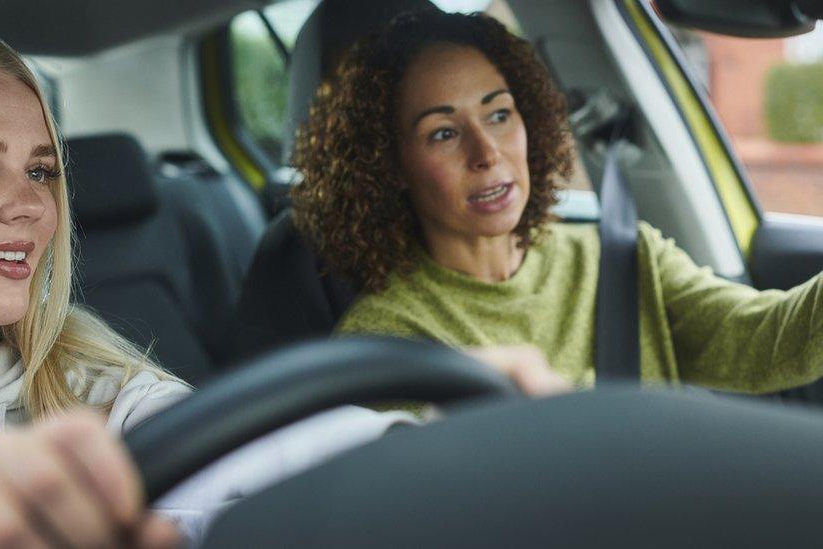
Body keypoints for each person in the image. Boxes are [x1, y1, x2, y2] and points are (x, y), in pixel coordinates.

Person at [0, 22, 452, 548]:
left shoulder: (91, 386)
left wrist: (440, 448)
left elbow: (254, 456)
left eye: (41, 171)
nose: (32, 205)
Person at [291, 9, 823, 392]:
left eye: (499, 114)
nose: (487, 153)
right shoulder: (385, 342)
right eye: (443, 133)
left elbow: (768, 342)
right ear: (391, 166)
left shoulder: (622, 256)